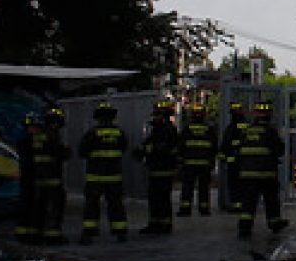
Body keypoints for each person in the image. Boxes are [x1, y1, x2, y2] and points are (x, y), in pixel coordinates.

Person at [235, 101, 288, 238]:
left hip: (247, 174)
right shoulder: (270, 131)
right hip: (266, 174)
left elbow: (238, 150)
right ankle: (274, 223)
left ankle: (244, 229)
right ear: (269, 115)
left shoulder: (246, 131)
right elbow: (279, 150)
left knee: (248, 202)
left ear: (255, 114)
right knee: (271, 200)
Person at [79, 101, 128, 243]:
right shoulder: (119, 133)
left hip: (95, 177)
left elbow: (82, 151)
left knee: (92, 205)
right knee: (116, 204)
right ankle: (120, 231)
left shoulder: (92, 133)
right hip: (114, 177)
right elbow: (123, 148)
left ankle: (90, 231)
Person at [134, 99, 179, 235]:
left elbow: (165, 148)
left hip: (164, 170)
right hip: (154, 169)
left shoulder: (168, 130)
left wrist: (149, 149)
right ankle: (154, 223)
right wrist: (141, 151)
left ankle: (165, 225)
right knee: (154, 199)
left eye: (158, 115)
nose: (155, 117)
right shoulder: (156, 129)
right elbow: (149, 144)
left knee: (163, 199)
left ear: (164, 116)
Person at [33, 105, 71, 244]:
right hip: (52, 178)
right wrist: (65, 152)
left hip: (39, 177)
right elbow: (56, 152)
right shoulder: (51, 135)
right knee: (55, 206)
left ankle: (39, 234)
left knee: (41, 207)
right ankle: (53, 236)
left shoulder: (39, 134)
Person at [177, 103, 218, 217]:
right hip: (204, 165)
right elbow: (214, 147)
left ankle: (185, 209)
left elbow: (180, 146)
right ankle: (204, 209)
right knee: (204, 188)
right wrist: (212, 161)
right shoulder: (209, 129)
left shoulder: (187, 129)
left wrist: (180, 161)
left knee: (187, 187)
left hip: (189, 164)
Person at [14, 114, 43, 243]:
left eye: (36, 127)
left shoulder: (31, 140)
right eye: (33, 127)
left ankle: (30, 233)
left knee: (33, 206)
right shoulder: (25, 141)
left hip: (33, 177)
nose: (35, 130)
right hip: (28, 177)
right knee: (28, 205)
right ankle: (25, 234)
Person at [220, 102, 249, 212]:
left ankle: (236, 205)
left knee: (234, 184)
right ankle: (245, 204)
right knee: (244, 184)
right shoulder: (248, 125)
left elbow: (226, 143)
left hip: (234, 161)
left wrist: (223, 156)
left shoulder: (231, 127)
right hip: (246, 161)